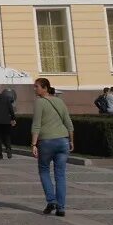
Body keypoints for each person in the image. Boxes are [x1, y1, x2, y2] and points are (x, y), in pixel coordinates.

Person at [31, 77, 75, 217]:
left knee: (44, 171)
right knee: (60, 175)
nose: (35, 89)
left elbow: (36, 125)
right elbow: (68, 122)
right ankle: (61, 208)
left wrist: (33, 144)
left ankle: (51, 201)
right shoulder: (60, 101)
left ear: (45, 88)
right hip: (63, 141)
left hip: (47, 142)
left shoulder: (40, 103)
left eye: (37, 86)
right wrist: (71, 141)